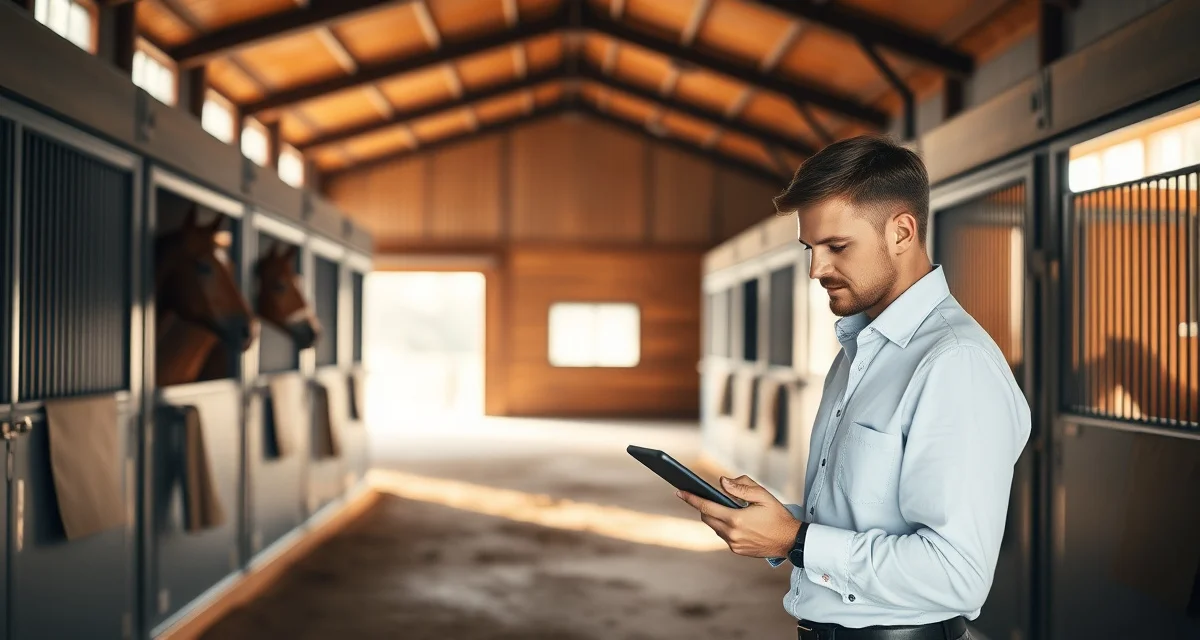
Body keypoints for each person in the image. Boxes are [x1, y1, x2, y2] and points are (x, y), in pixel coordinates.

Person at [676, 134, 1031, 640]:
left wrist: (794, 541)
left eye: (836, 247)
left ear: (902, 232)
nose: (817, 269)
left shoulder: (955, 364)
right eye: (810, 248)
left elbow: (958, 576)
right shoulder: (859, 350)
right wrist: (778, 523)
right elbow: (862, 520)